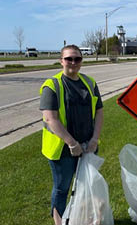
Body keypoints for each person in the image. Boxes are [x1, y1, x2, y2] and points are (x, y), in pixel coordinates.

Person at [39, 44, 103, 225]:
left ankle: (81, 219)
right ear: (61, 61)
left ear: (82, 61)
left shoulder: (90, 83)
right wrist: (72, 143)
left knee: (86, 186)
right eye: (69, 59)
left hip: (88, 145)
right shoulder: (52, 86)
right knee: (62, 188)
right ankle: (60, 222)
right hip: (63, 150)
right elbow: (51, 119)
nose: (73, 62)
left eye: (77, 58)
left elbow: (99, 112)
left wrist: (95, 139)